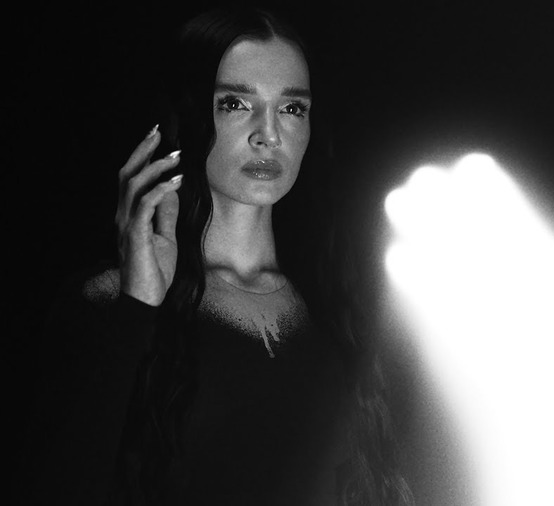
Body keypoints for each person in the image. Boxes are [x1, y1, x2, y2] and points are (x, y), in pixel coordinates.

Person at [27, 6, 412, 506]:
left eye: (292, 108)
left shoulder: (334, 312)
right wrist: (137, 309)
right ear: (186, 114)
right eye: (235, 103)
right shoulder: (106, 301)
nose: (268, 134)